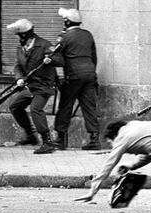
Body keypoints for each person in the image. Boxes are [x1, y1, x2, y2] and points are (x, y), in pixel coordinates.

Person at [6, 19, 64, 154]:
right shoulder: (21, 48)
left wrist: (51, 60)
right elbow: (18, 66)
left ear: (25, 35)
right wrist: (19, 78)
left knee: (35, 109)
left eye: (19, 35)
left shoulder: (44, 45)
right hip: (31, 86)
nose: (17, 38)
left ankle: (47, 142)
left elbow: (61, 60)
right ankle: (31, 136)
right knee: (15, 106)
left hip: (44, 86)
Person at [53, 8, 101, 150]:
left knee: (65, 106)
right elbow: (94, 57)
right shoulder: (88, 35)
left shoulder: (64, 37)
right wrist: (91, 71)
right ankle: (94, 140)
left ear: (67, 21)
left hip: (73, 76)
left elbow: (57, 56)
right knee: (89, 107)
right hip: (90, 75)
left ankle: (60, 139)